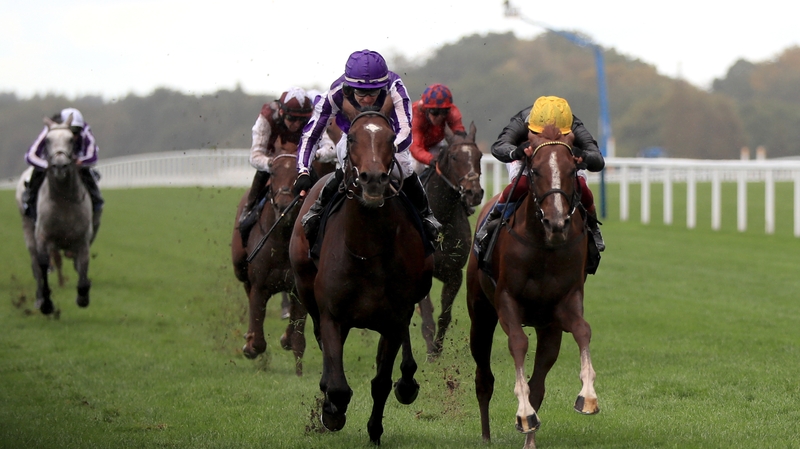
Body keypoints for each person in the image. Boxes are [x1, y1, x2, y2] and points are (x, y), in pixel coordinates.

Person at [293, 49, 441, 244]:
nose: (368, 98)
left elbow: (406, 131)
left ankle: (426, 215)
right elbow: (310, 135)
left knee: (404, 167)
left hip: (389, 137)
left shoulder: (395, 86)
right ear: (348, 88)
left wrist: (387, 149)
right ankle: (317, 209)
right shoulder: (335, 94)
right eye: (361, 93)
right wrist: (303, 171)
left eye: (374, 92)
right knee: (345, 163)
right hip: (354, 137)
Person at [474, 96, 606, 254]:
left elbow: (598, 159)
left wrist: (583, 156)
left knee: (582, 187)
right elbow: (499, 146)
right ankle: (492, 219)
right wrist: (516, 151)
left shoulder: (573, 124)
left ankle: (593, 227)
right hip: (529, 159)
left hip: (562, 161)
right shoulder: (522, 120)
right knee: (522, 184)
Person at [238, 87, 314, 233]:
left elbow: (329, 147)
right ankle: (249, 208)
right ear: (281, 113)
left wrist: (313, 157)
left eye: (301, 120)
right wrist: (272, 164)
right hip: (275, 158)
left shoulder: (314, 117)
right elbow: (255, 155)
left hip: (303, 162)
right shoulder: (267, 117)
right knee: (261, 173)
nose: (297, 124)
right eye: (292, 119)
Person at [24, 107, 104, 233]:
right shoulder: (49, 130)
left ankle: (96, 205)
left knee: (93, 186)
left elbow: (93, 155)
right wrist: (46, 165)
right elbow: (30, 156)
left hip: (75, 164)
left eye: (77, 131)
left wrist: (81, 161)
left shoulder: (86, 131)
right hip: (49, 164)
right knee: (36, 177)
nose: (76, 135)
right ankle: (29, 202)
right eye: (73, 131)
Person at [408, 83, 466, 176]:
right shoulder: (416, 114)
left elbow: (460, 139)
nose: (440, 117)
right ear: (426, 110)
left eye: (444, 112)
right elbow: (416, 147)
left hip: (434, 144)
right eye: (435, 112)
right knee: (416, 167)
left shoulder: (453, 113)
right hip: (410, 146)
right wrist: (431, 159)